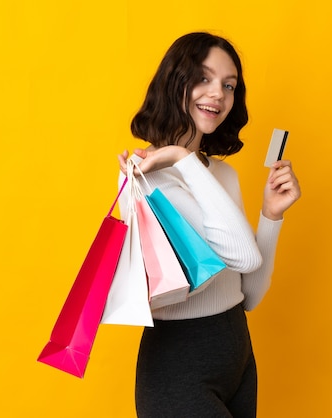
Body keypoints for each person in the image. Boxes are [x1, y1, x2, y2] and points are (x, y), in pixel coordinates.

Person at [117, 32, 301, 418]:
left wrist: (271, 216)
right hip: (178, 366)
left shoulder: (222, 174)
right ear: (174, 82)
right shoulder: (142, 178)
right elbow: (246, 256)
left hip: (237, 356)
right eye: (203, 78)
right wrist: (181, 157)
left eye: (228, 85)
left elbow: (248, 293)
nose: (217, 93)